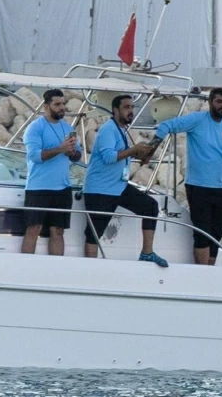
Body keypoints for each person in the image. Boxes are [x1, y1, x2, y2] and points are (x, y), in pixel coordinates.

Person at [149, 88, 222, 265]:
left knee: (216, 235)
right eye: (219, 101)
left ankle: (209, 271)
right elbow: (166, 125)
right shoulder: (198, 119)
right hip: (199, 187)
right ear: (210, 103)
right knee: (202, 233)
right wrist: (151, 147)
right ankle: (202, 272)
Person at [82, 94, 168, 266]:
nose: (131, 111)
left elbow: (121, 154)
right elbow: (109, 157)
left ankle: (147, 252)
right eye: (127, 107)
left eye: (132, 107)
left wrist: (140, 154)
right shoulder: (108, 129)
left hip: (118, 186)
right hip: (100, 190)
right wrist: (133, 149)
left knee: (150, 206)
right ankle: (90, 269)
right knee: (94, 233)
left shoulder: (121, 129)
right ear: (115, 110)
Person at [21, 88, 82, 255]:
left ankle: (57, 269)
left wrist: (71, 152)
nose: (62, 107)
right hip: (38, 187)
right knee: (34, 229)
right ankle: (24, 269)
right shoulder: (35, 128)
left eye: (63, 103)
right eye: (57, 104)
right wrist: (60, 149)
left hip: (62, 188)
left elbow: (78, 155)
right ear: (47, 106)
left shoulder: (67, 127)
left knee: (58, 231)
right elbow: (34, 156)